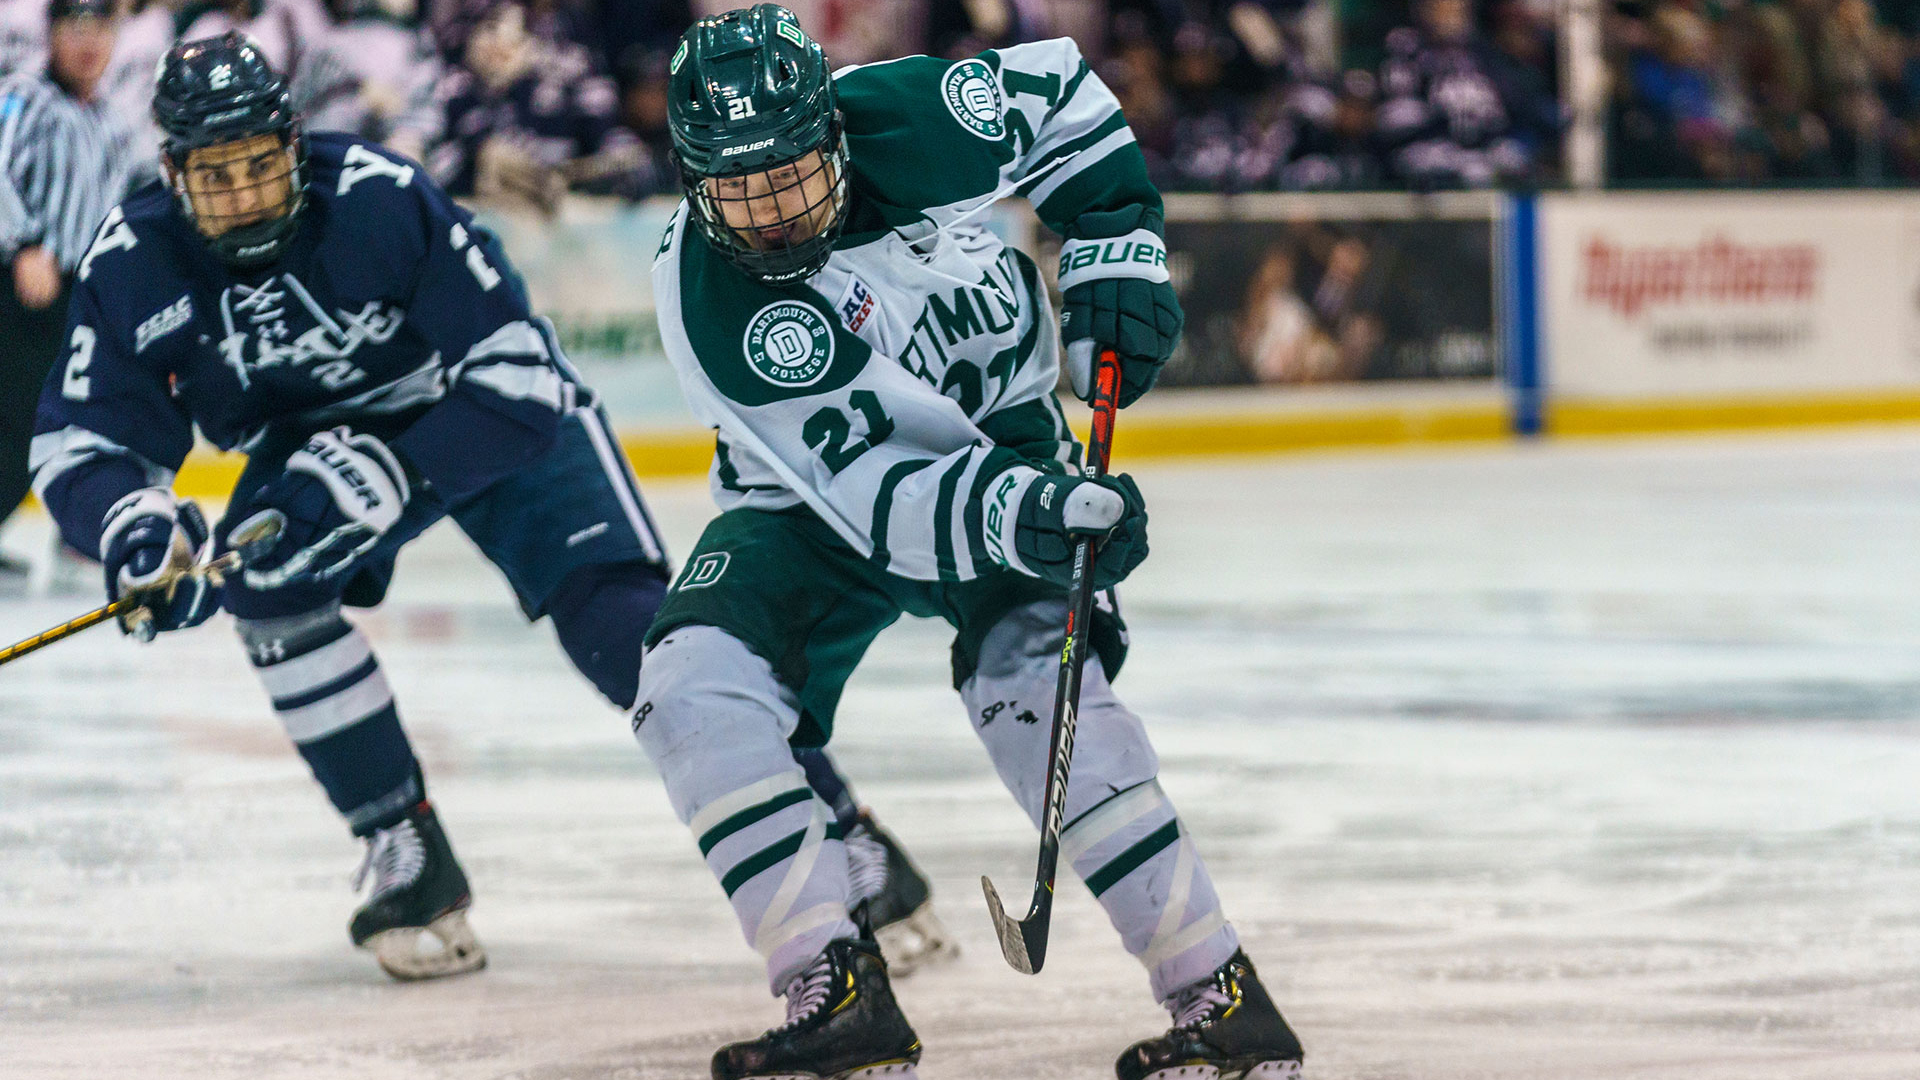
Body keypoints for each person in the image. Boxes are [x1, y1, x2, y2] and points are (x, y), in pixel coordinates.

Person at [28, 31, 954, 983]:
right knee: (265, 589)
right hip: (315, 452)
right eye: (213, 177)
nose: (244, 195)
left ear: (293, 143)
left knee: (638, 640)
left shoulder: (379, 198)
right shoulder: (134, 256)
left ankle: (845, 835)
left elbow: (516, 374)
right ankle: (408, 851)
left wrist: (395, 469)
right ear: (173, 175)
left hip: (486, 423)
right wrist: (136, 527)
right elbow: (84, 444)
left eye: (259, 165)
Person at [641, 6, 1305, 1079]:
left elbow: (1061, 96)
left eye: (795, 177)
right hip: (810, 508)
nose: (771, 218)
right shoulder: (716, 299)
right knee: (692, 688)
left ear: (835, 134)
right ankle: (836, 986)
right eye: (740, 190)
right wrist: (1032, 516)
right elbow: (887, 489)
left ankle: (1221, 997)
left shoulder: (905, 117)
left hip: (1007, 441)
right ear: (688, 176)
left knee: (1043, 701)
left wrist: (1116, 241)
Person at [0, 0, 135, 576]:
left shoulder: (109, 116)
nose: (88, 41)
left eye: (100, 26)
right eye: (74, 26)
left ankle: (76, 532)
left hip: (77, 297)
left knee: (67, 420)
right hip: (18, 289)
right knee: (13, 419)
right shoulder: (27, 97)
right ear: (51, 34)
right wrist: (23, 242)